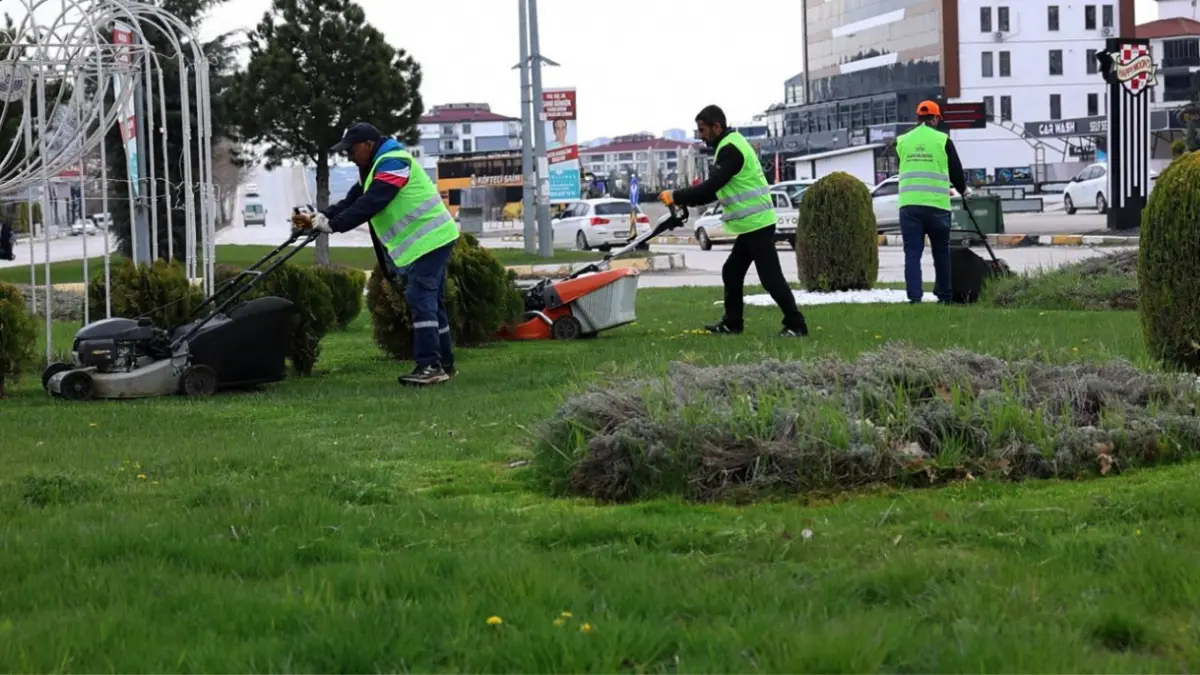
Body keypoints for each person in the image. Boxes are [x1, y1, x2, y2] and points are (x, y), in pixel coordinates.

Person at [292, 122, 460, 386]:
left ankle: (430, 366)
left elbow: (373, 202)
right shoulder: (373, 168)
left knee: (421, 298)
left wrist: (334, 226)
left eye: (351, 150)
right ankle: (444, 364)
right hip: (429, 240)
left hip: (431, 239)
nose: (348, 156)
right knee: (432, 302)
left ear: (367, 145)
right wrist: (321, 217)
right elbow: (352, 202)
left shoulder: (394, 162)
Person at [659, 105, 807, 337]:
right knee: (732, 271)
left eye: (702, 130)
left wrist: (677, 196)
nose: (700, 136)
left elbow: (711, 186)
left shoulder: (730, 150)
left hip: (757, 223)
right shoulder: (730, 145)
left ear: (717, 127)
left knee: (770, 278)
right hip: (752, 224)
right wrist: (685, 201)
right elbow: (712, 192)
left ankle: (796, 324)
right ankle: (732, 323)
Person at [896, 100, 969, 304]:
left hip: (909, 206)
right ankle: (945, 297)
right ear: (936, 118)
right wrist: (963, 191)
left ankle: (915, 298)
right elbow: (956, 171)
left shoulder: (902, 141)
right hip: (937, 206)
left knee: (912, 254)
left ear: (918, 117)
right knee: (941, 253)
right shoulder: (943, 140)